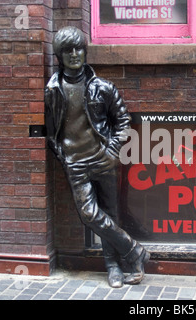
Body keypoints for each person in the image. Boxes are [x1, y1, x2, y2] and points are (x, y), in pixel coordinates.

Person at [44, 26, 149, 288]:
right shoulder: (53, 89)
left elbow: (123, 120)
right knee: (89, 214)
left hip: (103, 159)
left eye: (79, 48)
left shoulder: (102, 87)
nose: (75, 54)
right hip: (75, 163)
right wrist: (62, 153)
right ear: (59, 55)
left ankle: (113, 268)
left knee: (110, 214)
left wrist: (113, 150)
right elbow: (50, 129)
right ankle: (134, 250)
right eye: (68, 50)